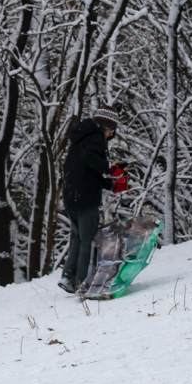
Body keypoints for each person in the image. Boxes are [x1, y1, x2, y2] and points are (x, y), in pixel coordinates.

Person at [59, 105, 128, 293]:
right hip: (86, 199)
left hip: (71, 197)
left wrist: (110, 184)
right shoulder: (95, 139)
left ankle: (68, 277)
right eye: (111, 130)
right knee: (88, 240)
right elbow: (92, 161)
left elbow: (87, 170)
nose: (111, 135)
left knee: (77, 238)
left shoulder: (80, 139)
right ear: (106, 126)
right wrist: (112, 168)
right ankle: (83, 282)